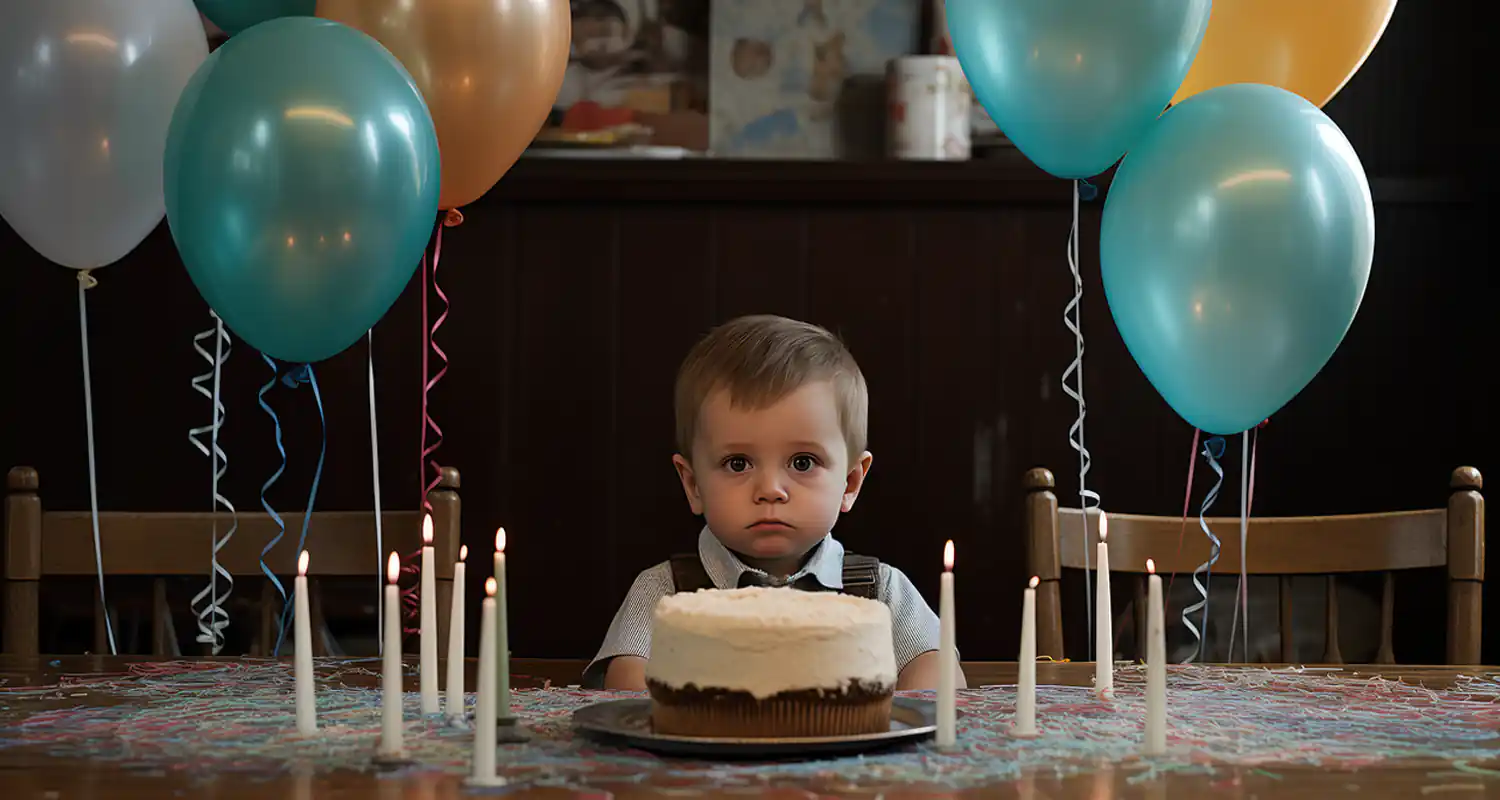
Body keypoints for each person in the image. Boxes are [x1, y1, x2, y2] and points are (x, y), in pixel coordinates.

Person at [585, 315, 967, 691]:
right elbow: (627, 683)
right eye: (738, 464)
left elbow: (938, 669)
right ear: (693, 484)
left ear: (850, 482)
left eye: (803, 462)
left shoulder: (877, 589)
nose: (770, 490)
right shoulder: (666, 591)